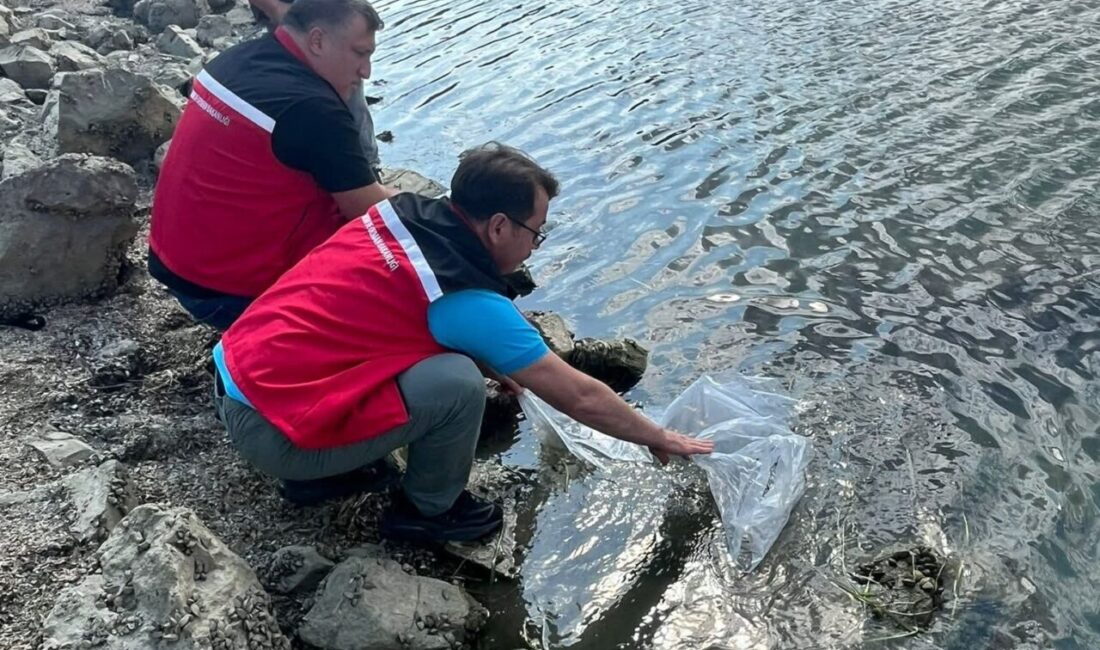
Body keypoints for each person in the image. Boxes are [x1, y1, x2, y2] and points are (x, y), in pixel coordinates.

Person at [212, 143, 714, 543]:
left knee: (436, 359)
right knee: (455, 384)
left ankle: (326, 472)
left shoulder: (400, 215)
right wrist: (659, 437)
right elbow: (579, 395)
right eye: (536, 233)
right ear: (499, 225)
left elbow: (388, 318)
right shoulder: (464, 299)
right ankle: (429, 511)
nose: (535, 245)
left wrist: (494, 359)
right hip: (272, 433)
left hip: (239, 373)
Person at [148, 0, 395, 331]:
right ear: (318, 41)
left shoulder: (234, 60)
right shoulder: (312, 108)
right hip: (224, 293)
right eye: (360, 53)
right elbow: (372, 213)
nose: (366, 71)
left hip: (172, 264)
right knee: (391, 268)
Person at [248, 0, 383, 178]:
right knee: (319, 102)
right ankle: (353, 179)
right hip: (290, 16)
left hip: (332, 11)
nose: (367, 73)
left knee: (348, 86)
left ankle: (365, 169)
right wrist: (277, 9)